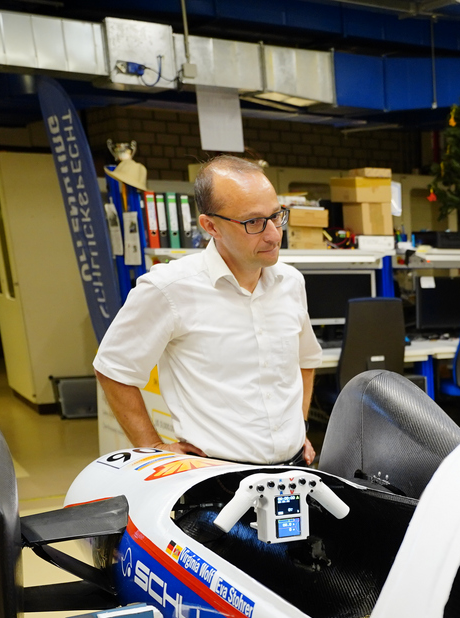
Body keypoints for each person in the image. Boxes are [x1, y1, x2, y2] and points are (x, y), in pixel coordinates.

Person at [94, 155, 324, 466]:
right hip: (216, 476)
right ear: (210, 225)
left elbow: (305, 360)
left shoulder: (291, 282)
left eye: (276, 216)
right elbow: (113, 368)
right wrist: (151, 446)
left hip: (296, 467)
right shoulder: (169, 288)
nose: (273, 234)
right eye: (254, 222)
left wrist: (299, 428)